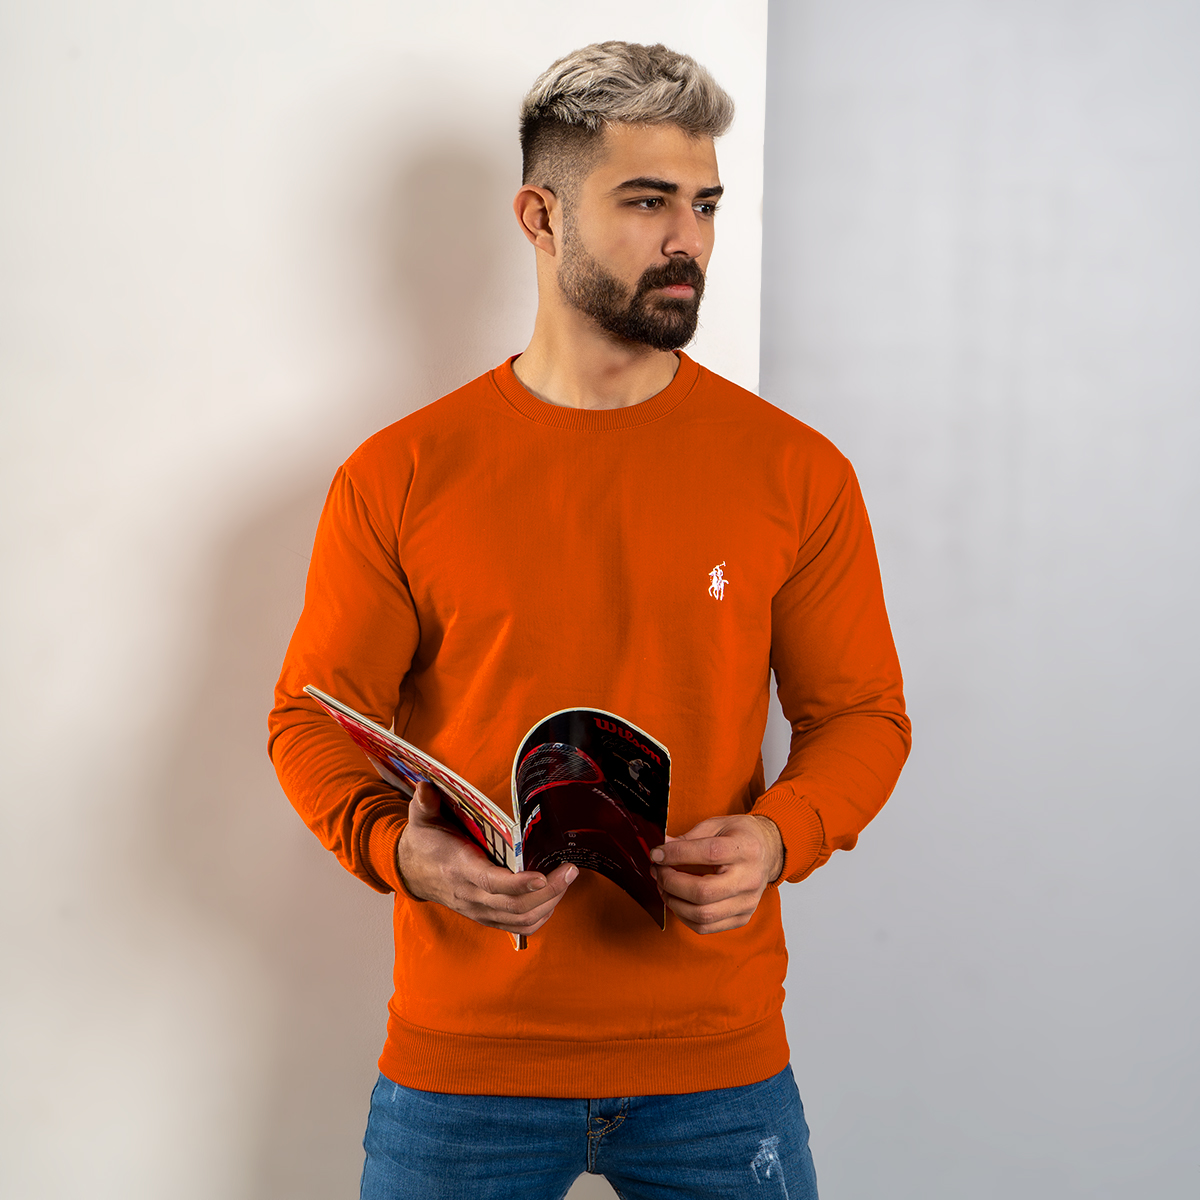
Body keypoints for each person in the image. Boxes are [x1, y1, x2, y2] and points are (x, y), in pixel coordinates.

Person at [268, 40, 910, 1200]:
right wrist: (396, 850)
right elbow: (309, 718)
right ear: (541, 215)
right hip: (463, 1066)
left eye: (705, 204)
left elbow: (862, 714)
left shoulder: (795, 472)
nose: (688, 239)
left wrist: (782, 837)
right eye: (647, 201)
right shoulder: (400, 474)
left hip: (716, 1067)